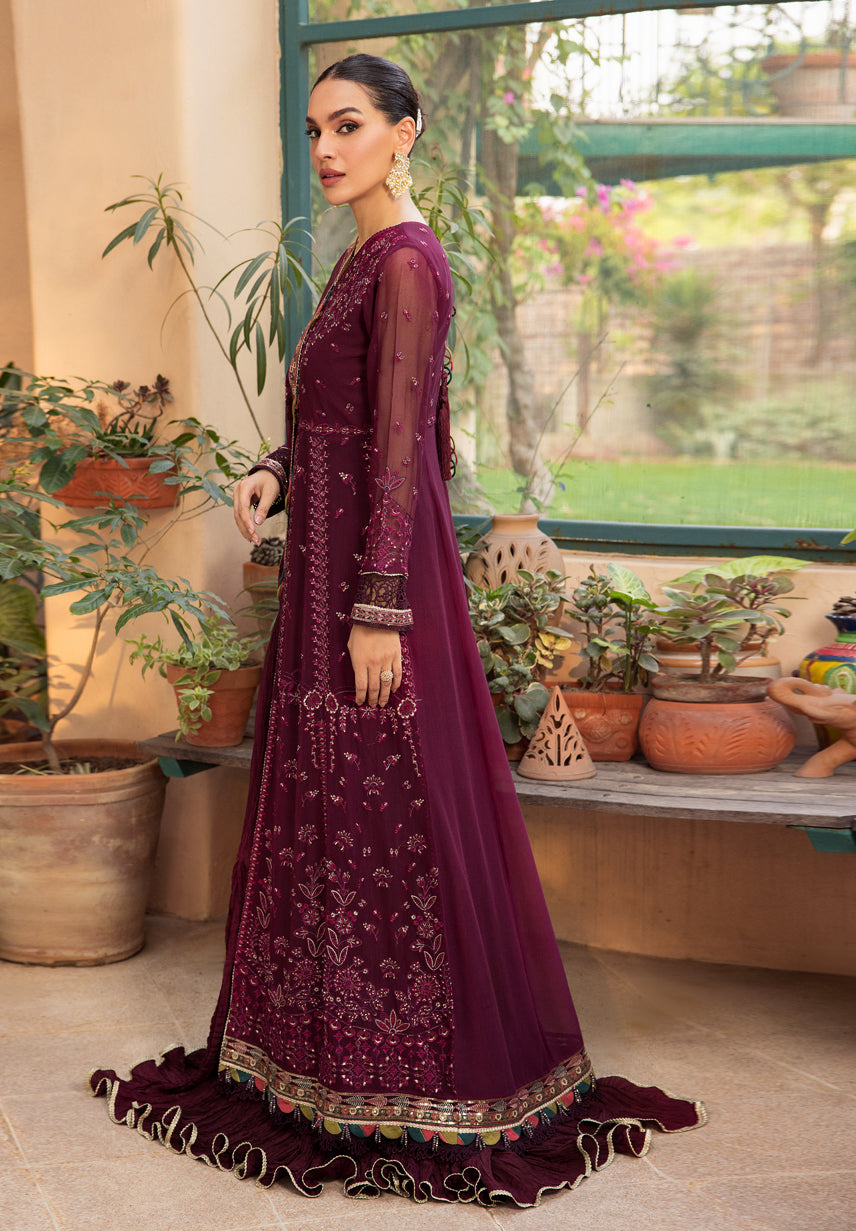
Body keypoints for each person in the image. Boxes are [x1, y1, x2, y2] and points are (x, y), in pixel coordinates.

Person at [90, 53, 705, 1208]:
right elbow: (348, 418)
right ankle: (315, 1058)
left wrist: (380, 612)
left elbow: (402, 449)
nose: (327, 148)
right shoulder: (361, 260)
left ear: (404, 131)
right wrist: (276, 469)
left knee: (393, 809)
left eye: (350, 125)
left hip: (373, 588)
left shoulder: (409, 262)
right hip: (326, 575)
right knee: (332, 803)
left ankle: (410, 1069)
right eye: (315, 129)